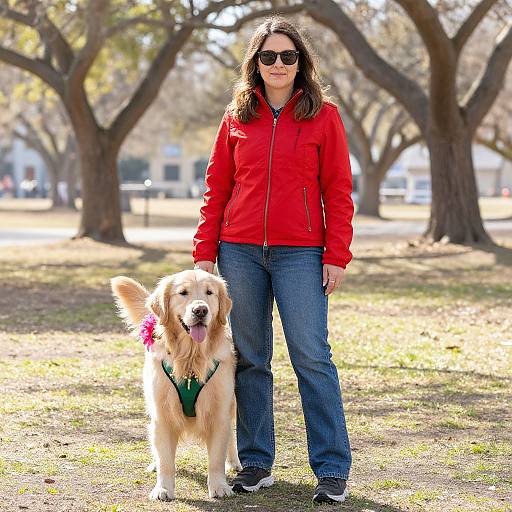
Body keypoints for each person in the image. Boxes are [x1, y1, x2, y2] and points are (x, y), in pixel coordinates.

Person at [192, 16, 353, 505]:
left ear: (300, 63)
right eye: (269, 57)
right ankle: (256, 462)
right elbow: (217, 186)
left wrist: (337, 253)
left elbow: (338, 190)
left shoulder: (323, 115)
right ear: (255, 64)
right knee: (250, 360)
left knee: (312, 357)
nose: (278, 64)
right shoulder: (236, 117)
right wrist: (204, 253)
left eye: (288, 56)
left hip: (302, 253)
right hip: (238, 250)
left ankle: (331, 469)